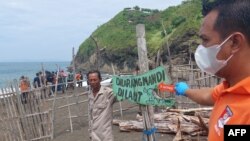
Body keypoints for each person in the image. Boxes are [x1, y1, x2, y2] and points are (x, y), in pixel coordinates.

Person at [174, 0, 250, 141]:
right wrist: (185, 90)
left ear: (234, 42)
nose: (201, 48)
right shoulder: (231, 88)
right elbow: (208, 95)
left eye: (205, 39)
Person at [87, 70, 116, 141]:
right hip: (94, 134)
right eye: (90, 80)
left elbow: (122, 94)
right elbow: (91, 116)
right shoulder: (89, 95)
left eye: (95, 80)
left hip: (105, 135)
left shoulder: (108, 92)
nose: (93, 82)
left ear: (100, 79)